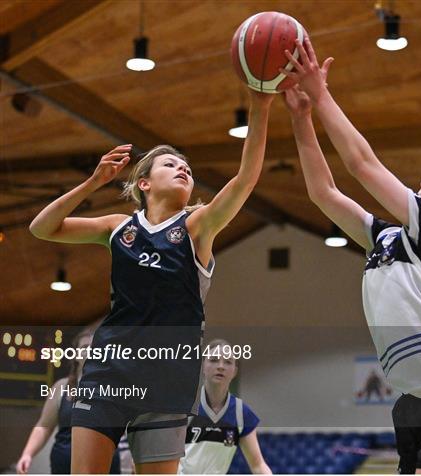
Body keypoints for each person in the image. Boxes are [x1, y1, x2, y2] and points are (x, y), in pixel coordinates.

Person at [280, 37, 421, 474]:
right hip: (413, 405)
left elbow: (361, 164)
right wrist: (302, 119)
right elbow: (323, 194)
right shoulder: (387, 239)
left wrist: (321, 93)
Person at [29, 88, 274, 474]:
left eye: (187, 170)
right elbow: (42, 228)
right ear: (144, 183)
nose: (183, 170)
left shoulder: (197, 227)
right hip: (108, 370)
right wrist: (93, 182)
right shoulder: (117, 227)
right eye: (171, 164)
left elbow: (245, 179)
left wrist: (261, 105)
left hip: (168, 375)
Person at [16, 329, 121, 474]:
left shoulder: (114, 387)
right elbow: (44, 425)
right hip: (63, 466)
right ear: (76, 356)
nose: (91, 351)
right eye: (85, 348)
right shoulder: (61, 387)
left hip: (106, 466)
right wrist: (27, 454)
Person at [180, 339, 271, 474]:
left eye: (228, 362)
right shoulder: (183, 406)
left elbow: (257, 465)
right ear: (202, 366)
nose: (221, 366)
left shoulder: (241, 413)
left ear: (234, 371)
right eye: (214, 360)